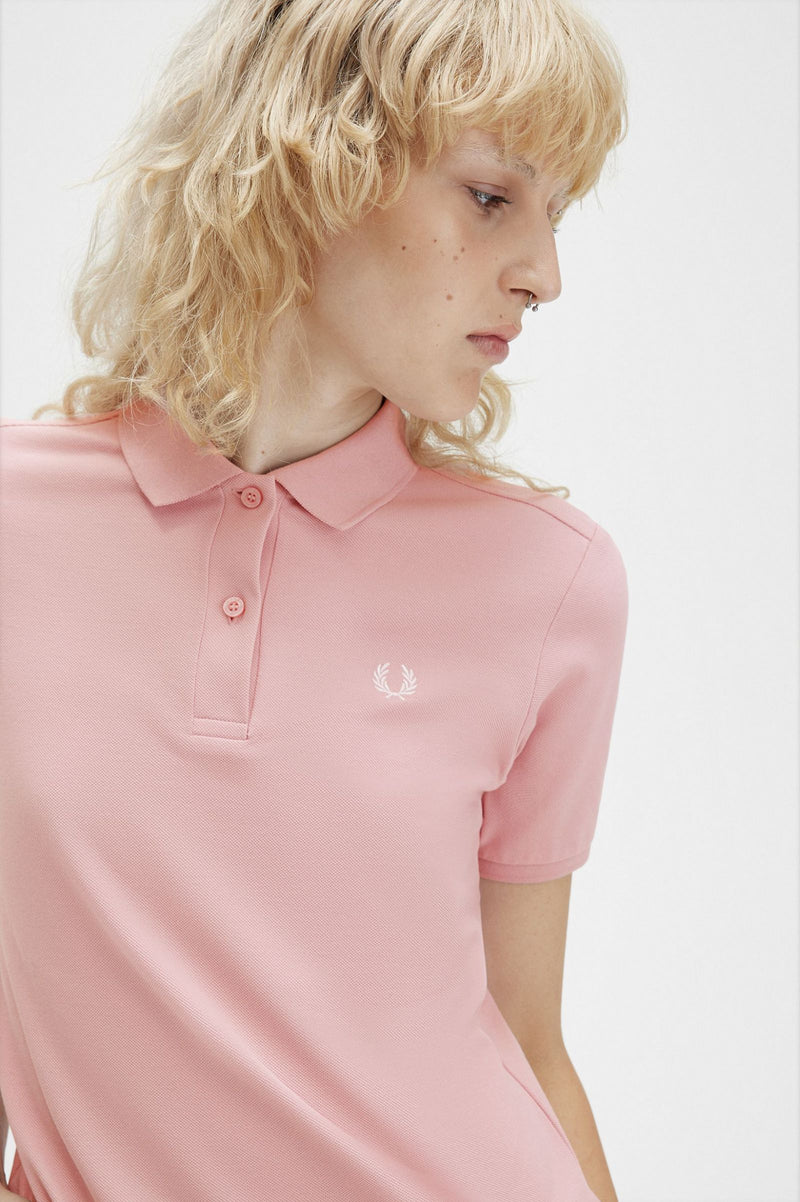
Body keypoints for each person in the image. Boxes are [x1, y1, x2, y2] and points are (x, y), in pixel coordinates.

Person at [0, 0, 630, 1199]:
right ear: (313, 166)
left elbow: (527, 1036)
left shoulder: (549, 580)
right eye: (490, 197)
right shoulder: (16, 525)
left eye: (555, 216)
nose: (542, 275)